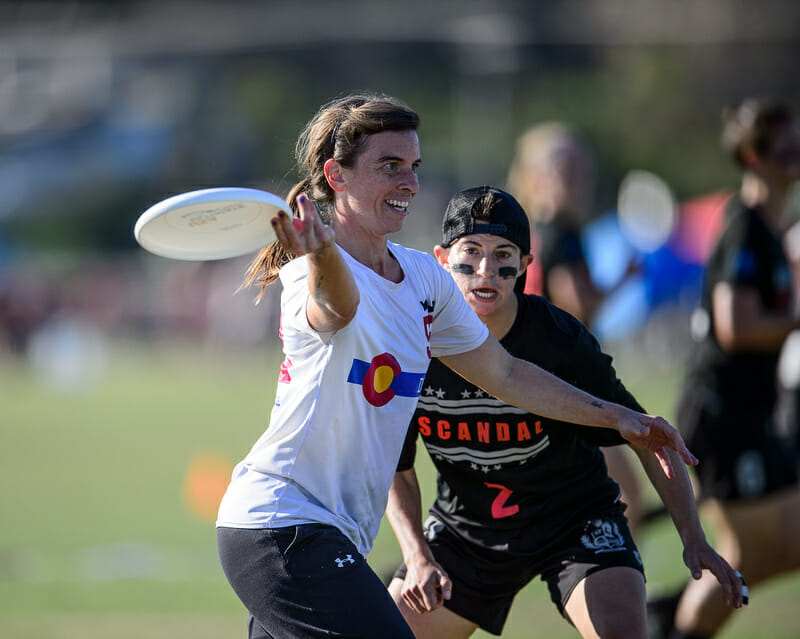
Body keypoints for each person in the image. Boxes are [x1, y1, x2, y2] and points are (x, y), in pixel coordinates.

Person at [214, 93, 698, 639]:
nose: (409, 183)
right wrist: (322, 253)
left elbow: (507, 375)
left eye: (414, 167)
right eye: (389, 166)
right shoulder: (311, 272)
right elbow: (337, 308)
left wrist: (619, 418)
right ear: (337, 176)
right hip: (281, 524)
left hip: (330, 531)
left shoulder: (424, 278)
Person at [385, 185, 745, 639]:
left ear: (526, 266)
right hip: (467, 531)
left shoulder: (559, 340)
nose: (486, 271)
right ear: (441, 257)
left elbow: (647, 436)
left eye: (504, 255)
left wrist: (694, 539)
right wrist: (417, 554)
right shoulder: (414, 342)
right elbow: (396, 469)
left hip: (574, 521)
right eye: (470, 252)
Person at [664, 97, 800, 639]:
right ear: (751, 155)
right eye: (780, 144)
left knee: (778, 547)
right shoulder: (744, 225)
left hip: (750, 415)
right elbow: (734, 326)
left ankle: (674, 614)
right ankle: (674, 627)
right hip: (722, 417)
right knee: (742, 552)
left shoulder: (770, 227)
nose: (793, 153)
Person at [506, 122, 645, 532]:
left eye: (580, 169)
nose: (577, 180)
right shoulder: (561, 231)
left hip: (534, 378)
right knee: (629, 492)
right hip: (565, 382)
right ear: (537, 177)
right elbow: (577, 309)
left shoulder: (528, 229)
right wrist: (625, 278)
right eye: (566, 170)